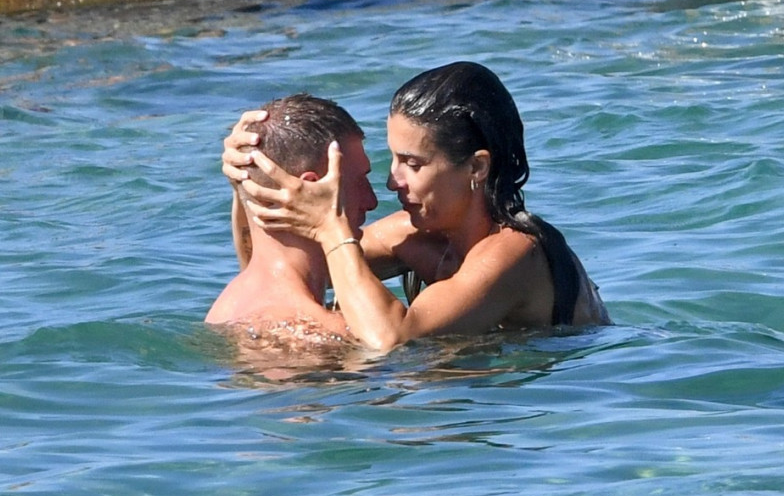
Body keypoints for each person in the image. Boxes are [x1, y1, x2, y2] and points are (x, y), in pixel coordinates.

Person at [222, 61, 610, 353]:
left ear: (477, 166)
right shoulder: (408, 236)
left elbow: (391, 338)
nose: (393, 181)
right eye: (392, 159)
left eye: (413, 164)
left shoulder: (514, 254)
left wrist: (330, 225)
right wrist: (247, 176)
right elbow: (278, 267)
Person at [206, 94, 378, 364]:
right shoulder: (316, 335)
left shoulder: (230, 302)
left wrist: (242, 184)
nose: (372, 201)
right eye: (360, 181)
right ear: (309, 188)